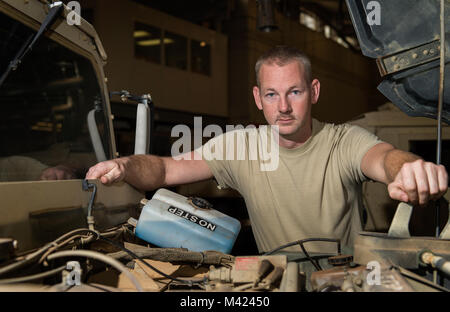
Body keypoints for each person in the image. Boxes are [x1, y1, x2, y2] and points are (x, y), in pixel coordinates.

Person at [86, 46, 448, 254]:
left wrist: (410, 168)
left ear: (315, 92)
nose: (284, 107)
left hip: (346, 282)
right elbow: (165, 170)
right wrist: (125, 164)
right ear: (258, 98)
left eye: (295, 91)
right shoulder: (240, 146)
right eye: (272, 94)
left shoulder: (344, 141)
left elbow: (384, 158)